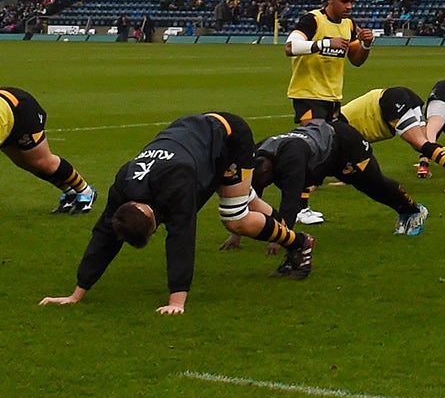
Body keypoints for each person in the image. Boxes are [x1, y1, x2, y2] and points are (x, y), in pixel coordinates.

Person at [40, 112, 302, 312]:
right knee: (242, 200)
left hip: (230, 137)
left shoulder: (176, 186)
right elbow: (103, 237)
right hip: (192, 136)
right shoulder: (122, 185)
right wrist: (77, 293)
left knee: (235, 219)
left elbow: (182, 237)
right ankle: (283, 228)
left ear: (154, 224)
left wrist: (177, 300)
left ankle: (299, 244)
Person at [248, 115, 427, 243]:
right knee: (368, 187)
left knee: (374, 185)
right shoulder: (258, 154)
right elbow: (252, 192)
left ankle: (414, 211)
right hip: (324, 154)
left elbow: (291, 199)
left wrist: (282, 238)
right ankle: (405, 212)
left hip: (346, 144)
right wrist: (238, 231)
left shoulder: (290, 159)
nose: (265, 184)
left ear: (266, 170)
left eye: (265, 181)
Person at [336, 85, 445, 195]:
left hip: (389, 102)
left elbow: (347, 157)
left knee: (421, 143)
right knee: (422, 143)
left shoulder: (336, 129)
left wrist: (315, 184)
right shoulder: (337, 126)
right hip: (399, 96)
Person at [284, 0, 372, 124]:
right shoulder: (313, 20)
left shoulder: (348, 24)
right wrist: (325, 43)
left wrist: (366, 45)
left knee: (330, 143)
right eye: (344, 2)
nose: (349, 6)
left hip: (333, 97)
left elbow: (356, 60)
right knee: (316, 140)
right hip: (309, 96)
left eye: (351, 2)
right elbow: (290, 47)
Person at [0, 86, 93, 214]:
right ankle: (69, 192)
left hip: (21, 111)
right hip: (6, 118)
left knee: (42, 162)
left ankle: (86, 191)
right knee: (23, 163)